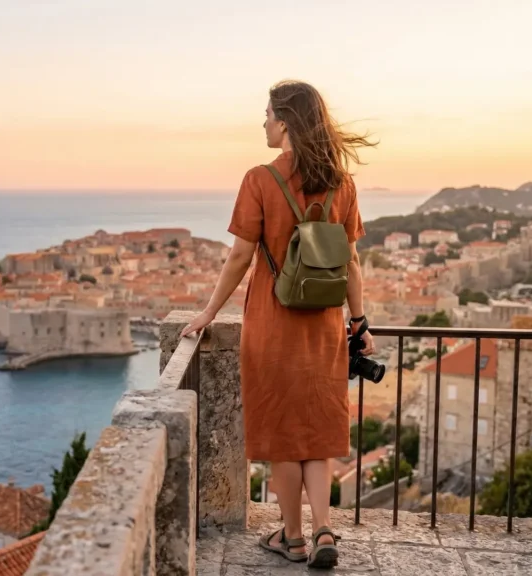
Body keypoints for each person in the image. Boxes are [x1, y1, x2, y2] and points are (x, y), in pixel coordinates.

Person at [179, 79, 376, 569]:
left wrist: (208, 312)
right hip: (327, 328)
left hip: (273, 323)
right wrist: (360, 321)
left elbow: (241, 256)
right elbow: (351, 262)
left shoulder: (260, 180)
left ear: (285, 121)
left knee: (283, 437)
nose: (263, 122)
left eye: (267, 113)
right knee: (318, 431)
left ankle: (292, 538)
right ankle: (324, 528)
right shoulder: (343, 183)